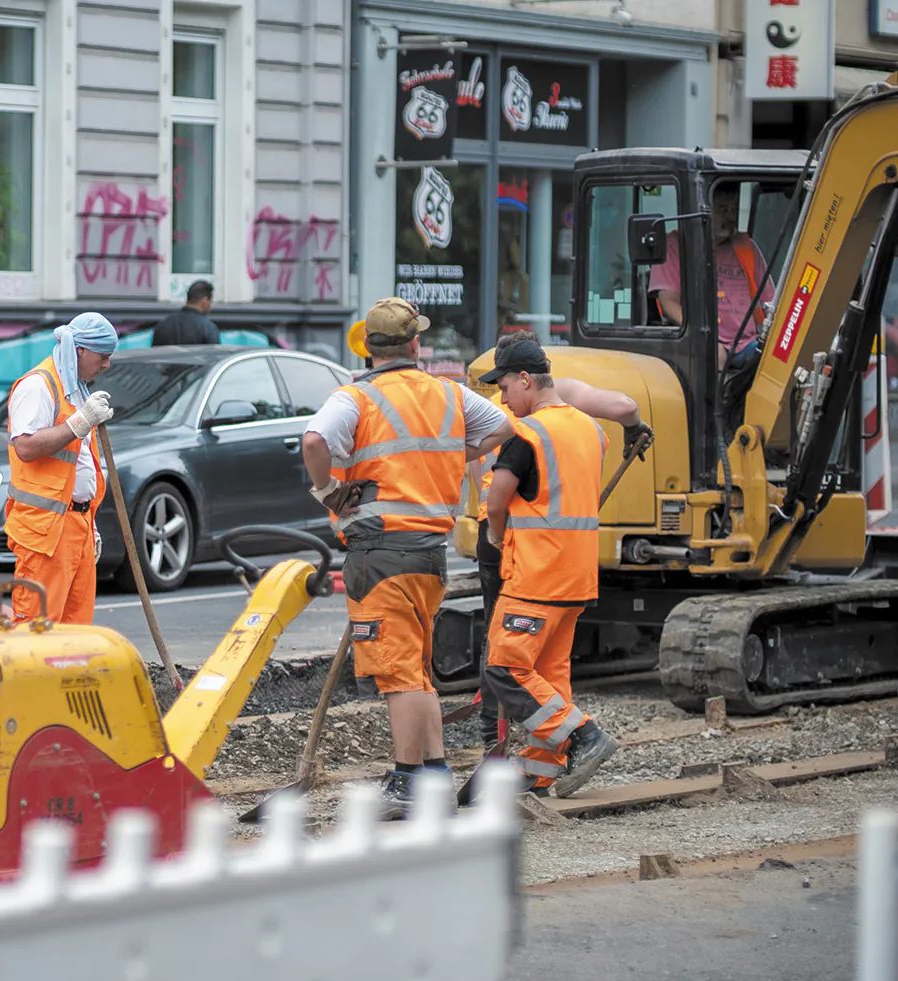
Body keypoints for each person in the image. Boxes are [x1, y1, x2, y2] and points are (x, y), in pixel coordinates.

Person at [300, 297, 512, 818]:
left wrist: (327, 491)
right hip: (428, 553)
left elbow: (312, 441)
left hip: (380, 550)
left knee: (397, 675)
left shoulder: (355, 398)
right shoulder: (449, 394)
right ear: (415, 343)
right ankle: (435, 775)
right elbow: (504, 428)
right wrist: (449, 456)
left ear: (368, 346)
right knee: (415, 671)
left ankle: (408, 780)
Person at [472, 331, 652, 755]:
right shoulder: (586, 424)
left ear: (523, 377)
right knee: (550, 669)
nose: (502, 394)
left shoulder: (525, 427)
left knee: (503, 660)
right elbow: (625, 408)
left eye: (504, 385)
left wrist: (496, 535)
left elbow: (496, 496)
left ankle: (575, 736)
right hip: (574, 569)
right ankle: (542, 768)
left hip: (526, 559)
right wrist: (635, 426)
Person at [6, 312, 118, 624]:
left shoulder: (76, 388)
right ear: (80, 350)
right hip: (45, 532)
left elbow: (79, 463)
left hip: (76, 525)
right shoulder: (38, 386)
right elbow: (25, 447)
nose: (106, 365)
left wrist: (90, 523)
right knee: (36, 631)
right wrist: (80, 422)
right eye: (103, 356)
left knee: (75, 632)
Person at [649, 184, 767, 361]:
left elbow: (770, 301)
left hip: (748, 343)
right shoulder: (675, 246)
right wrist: (706, 341)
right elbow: (669, 302)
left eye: (734, 209)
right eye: (723, 209)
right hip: (700, 341)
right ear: (702, 210)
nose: (731, 216)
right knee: (714, 358)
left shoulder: (747, 247)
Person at [152, 280, 221, 346]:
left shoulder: (163, 325)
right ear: (205, 301)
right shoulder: (208, 328)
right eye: (211, 301)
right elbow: (215, 356)